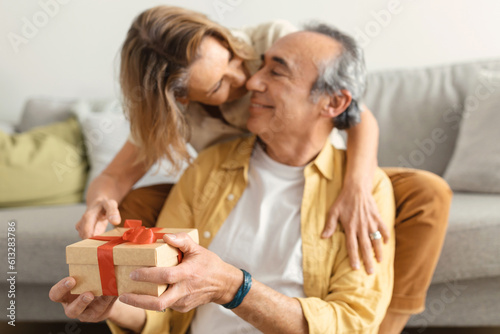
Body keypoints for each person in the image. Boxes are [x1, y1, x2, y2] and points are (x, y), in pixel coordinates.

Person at [74, 6, 452, 332]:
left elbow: (357, 114)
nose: (249, 79)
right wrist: (112, 295)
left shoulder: (273, 40)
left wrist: (358, 184)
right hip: (223, 174)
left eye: (266, 69)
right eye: (221, 83)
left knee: (426, 192)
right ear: (181, 99)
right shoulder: (190, 138)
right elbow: (116, 177)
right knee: (136, 204)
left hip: (325, 167)